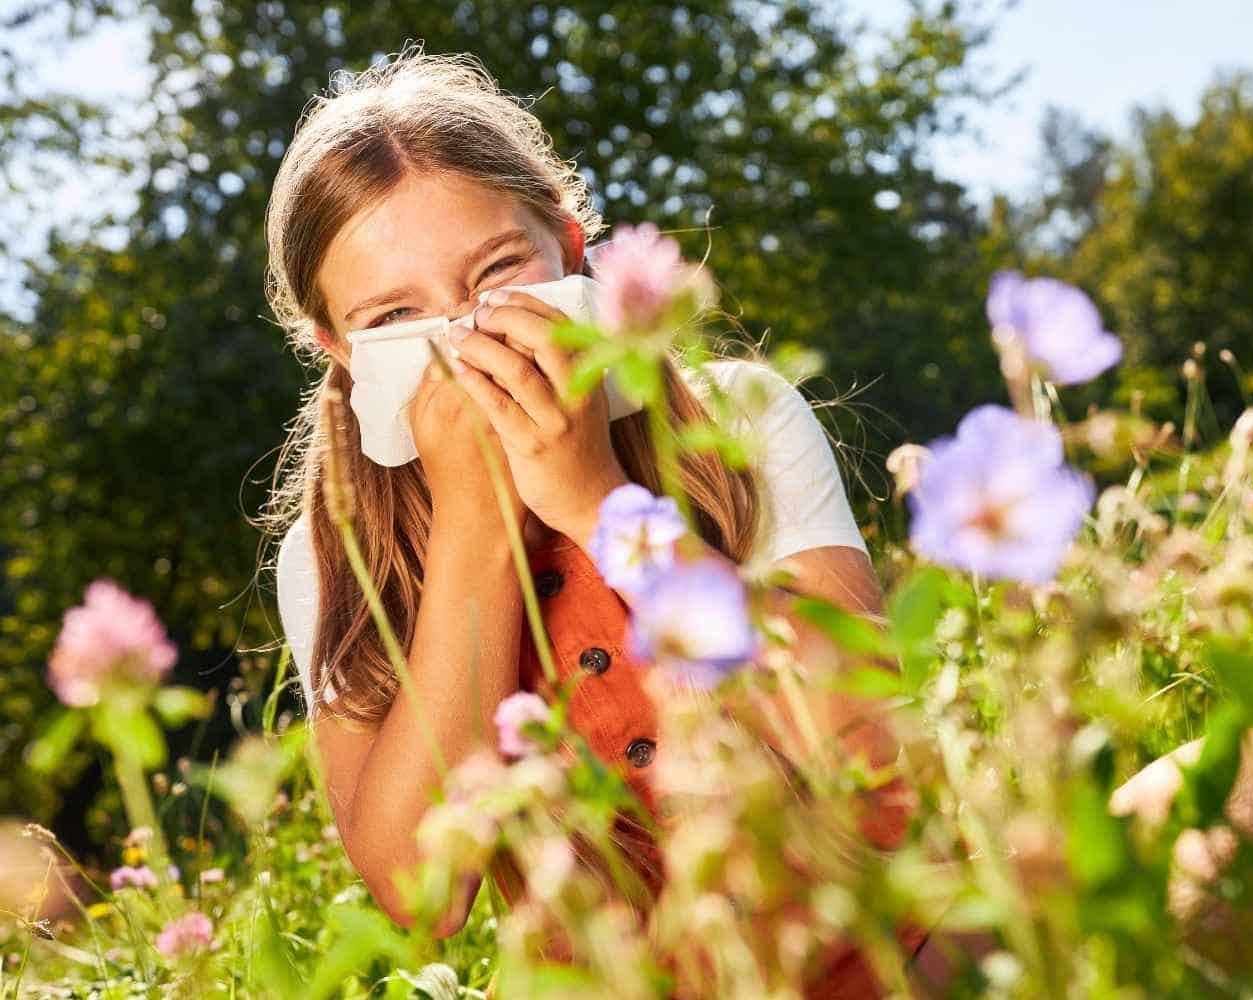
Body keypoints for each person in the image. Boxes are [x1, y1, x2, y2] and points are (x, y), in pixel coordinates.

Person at [262, 49, 920, 992]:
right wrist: (475, 530)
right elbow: (420, 895)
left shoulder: (737, 421)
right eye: (398, 315)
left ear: (571, 248)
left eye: (497, 271)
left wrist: (594, 497)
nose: (464, 336)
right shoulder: (337, 558)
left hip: (886, 948)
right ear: (341, 349)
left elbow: (867, 743)